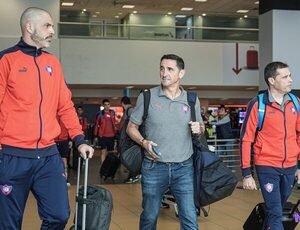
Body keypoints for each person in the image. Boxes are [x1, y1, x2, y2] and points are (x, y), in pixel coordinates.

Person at [0, 7, 94, 229]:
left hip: (48, 156)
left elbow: (65, 106)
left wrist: (79, 139)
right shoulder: (6, 60)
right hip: (12, 156)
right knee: (8, 224)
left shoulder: (53, 63)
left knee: (59, 215)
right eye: (47, 26)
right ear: (29, 27)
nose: (52, 30)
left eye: (52, 26)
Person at [127, 54, 205, 230]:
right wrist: (143, 142)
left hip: (184, 167)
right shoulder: (147, 96)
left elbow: (199, 127)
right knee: (149, 216)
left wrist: (199, 129)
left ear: (181, 73)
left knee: (190, 218)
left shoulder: (192, 99)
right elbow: (131, 128)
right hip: (154, 167)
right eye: (162, 68)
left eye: (170, 69)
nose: (164, 73)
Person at [240, 61, 300, 230]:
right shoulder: (258, 104)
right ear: (272, 81)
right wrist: (246, 173)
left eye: (290, 76)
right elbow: (246, 139)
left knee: (277, 209)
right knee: (275, 211)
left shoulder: (295, 102)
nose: (290, 80)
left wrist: (299, 166)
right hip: (266, 165)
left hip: (289, 166)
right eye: (285, 76)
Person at [93, 99, 116, 164]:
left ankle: (109, 166)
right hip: (102, 136)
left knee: (110, 152)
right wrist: (95, 136)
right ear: (103, 105)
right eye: (105, 105)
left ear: (110, 105)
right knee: (103, 151)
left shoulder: (113, 112)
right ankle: (103, 166)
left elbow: (113, 122)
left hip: (111, 136)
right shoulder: (100, 114)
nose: (107, 106)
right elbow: (96, 125)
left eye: (108, 104)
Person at [55, 117, 73, 186]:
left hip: (64, 140)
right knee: (53, 161)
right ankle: (54, 179)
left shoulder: (64, 114)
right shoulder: (52, 112)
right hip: (53, 140)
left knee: (64, 161)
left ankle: (65, 179)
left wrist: (70, 139)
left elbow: (69, 127)